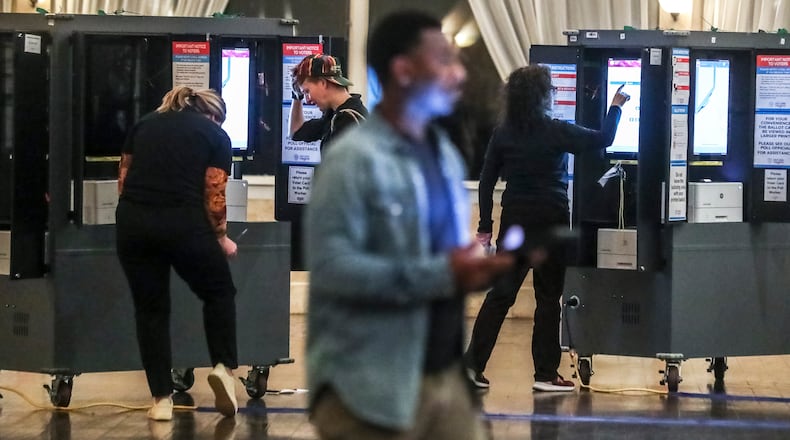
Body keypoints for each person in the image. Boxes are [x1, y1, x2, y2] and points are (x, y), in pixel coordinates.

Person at [304, 10, 514, 440]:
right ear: (403, 71)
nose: (458, 73)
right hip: (368, 392)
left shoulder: (444, 156)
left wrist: (469, 271)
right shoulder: (352, 160)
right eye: (443, 60)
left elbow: (443, 264)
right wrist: (440, 274)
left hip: (443, 381)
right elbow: (332, 269)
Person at [465, 65, 630, 392]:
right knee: (548, 297)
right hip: (551, 221)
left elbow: (486, 182)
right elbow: (604, 139)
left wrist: (485, 226)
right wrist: (615, 106)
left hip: (515, 222)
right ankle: (545, 375)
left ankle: (471, 367)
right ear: (543, 96)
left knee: (501, 295)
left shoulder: (503, 132)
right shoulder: (555, 130)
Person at [116, 86, 240, 421]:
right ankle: (223, 369)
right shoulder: (215, 134)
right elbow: (214, 194)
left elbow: (124, 181)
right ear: (213, 115)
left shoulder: (143, 124)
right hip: (183, 223)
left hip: (133, 224)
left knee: (150, 310)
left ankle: (160, 401)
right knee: (219, 292)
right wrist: (222, 238)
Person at [289, 53, 368, 151]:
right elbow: (296, 132)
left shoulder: (349, 120)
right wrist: (297, 96)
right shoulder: (334, 116)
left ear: (323, 83)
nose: (307, 100)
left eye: (307, 91)